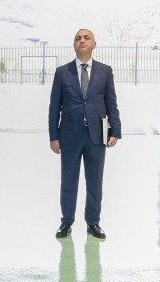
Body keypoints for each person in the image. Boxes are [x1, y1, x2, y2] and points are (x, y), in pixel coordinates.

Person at [48, 28, 121, 240]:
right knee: (68, 181)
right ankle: (66, 222)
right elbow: (54, 107)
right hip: (69, 136)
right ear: (74, 45)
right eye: (78, 38)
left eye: (87, 38)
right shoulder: (62, 72)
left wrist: (115, 131)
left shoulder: (105, 71)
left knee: (95, 182)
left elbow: (111, 103)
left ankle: (93, 222)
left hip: (97, 136)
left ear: (94, 44)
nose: (82, 41)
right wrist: (54, 136)